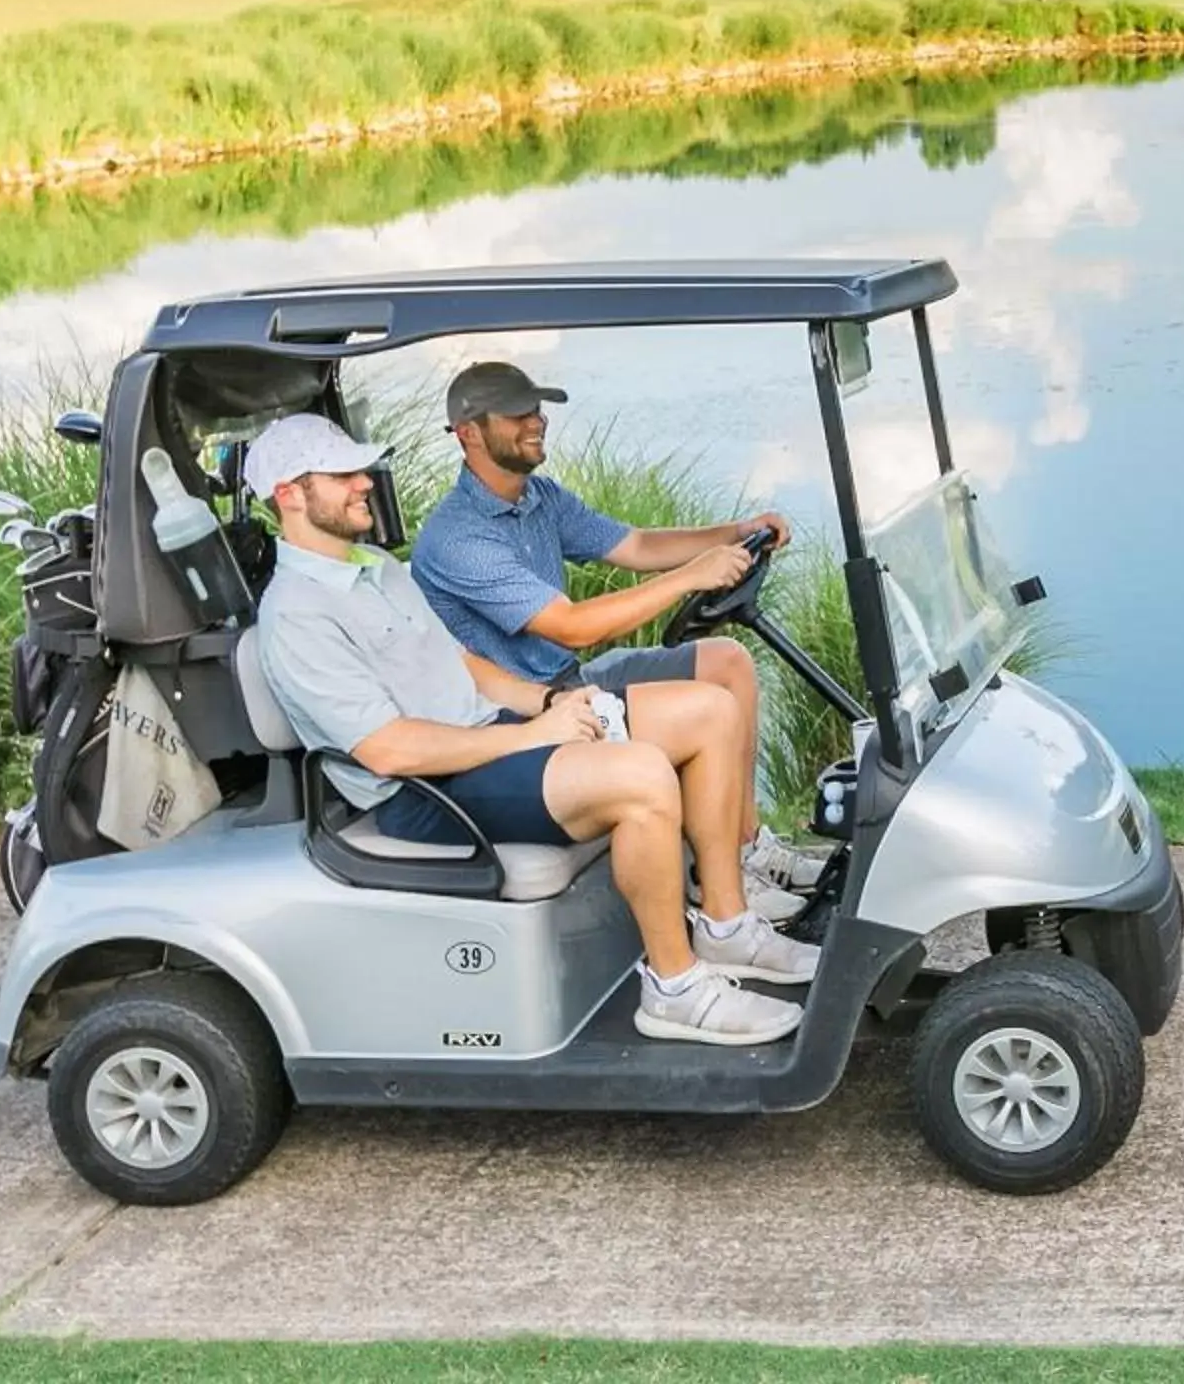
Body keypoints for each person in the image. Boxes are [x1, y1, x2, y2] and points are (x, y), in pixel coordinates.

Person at [247, 412, 817, 1046]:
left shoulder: (373, 566)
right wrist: (529, 735)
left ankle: (726, 923)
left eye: (361, 469)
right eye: (343, 475)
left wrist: (546, 701)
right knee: (642, 773)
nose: (364, 483)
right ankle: (675, 987)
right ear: (290, 496)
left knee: (710, 709)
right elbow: (388, 748)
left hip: (487, 738)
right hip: (431, 793)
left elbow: (462, 666)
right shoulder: (297, 614)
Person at [411, 361, 827, 912]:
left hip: (568, 679)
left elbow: (633, 546)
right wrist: (692, 577)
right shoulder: (458, 538)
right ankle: (719, 894)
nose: (536, 422)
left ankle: (742, 850)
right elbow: (573, 626)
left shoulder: (539, 497)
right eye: (517, 414)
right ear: (469, 433)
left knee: (729, 662)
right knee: (707, 710)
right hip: (528, 713)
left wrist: (735, 533)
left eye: (536, 409)